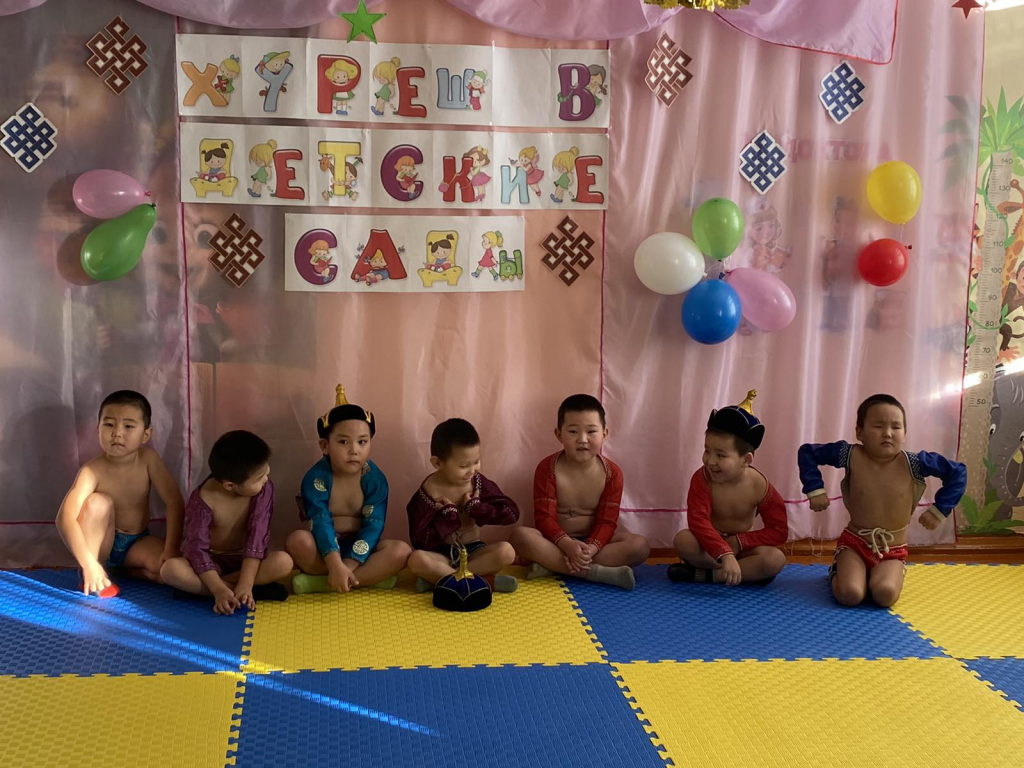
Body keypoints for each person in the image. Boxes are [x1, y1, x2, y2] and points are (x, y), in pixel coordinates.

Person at [797, 394, 967, 607]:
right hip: (855, 544)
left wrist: (940, 509)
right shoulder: (850, 455)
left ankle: (884, 574)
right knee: (850, 594)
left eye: (896, 427)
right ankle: (838, 569)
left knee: (885, 595)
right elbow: (808, 453)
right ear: (859, 432)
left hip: (892, 550)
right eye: (878, 426)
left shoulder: (915, 462)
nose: (888, 433)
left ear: (904, 434)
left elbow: (958, 472)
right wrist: (815, 489)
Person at [510, 395, 648, 590]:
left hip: (595, 546)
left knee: (639, 546)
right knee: (520, 536)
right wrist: (567, 544)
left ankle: (552, 567)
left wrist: (590, 548)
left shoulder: (612, 473)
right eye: (573, 431)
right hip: (556, 543)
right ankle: (597, 573)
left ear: (604, 434)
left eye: (591, 431)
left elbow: (607, 521)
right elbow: (544, 518)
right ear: (559, 434)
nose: (582, 439)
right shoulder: (548, 468)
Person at [56, 390, 184, 597]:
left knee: (172, 570)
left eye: (128, 426)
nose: (117, 433)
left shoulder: (149, 460)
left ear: (146, 434)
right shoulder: (92, 470)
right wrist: (88, 563)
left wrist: (171, 548)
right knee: (98, 502)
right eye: (109, 424)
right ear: (98, 429)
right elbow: (64, 518)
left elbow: (174, 502)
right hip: (101, 546)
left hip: (136, 542)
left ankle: (126, 571)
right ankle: (94, 572)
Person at [285, 385, 411, 594]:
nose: (354, 450)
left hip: (362, 551)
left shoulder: (375, 479)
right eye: (343, 442)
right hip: (324, 550)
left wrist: (348, 566)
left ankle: (323, 583)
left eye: (362, 442)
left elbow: (375, 523)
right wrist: (335, 563)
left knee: (401, 551)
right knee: (297, 541)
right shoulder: (316, 478)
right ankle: (366, 579)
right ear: (325, 446)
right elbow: (319, 519)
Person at [160, 431, 293, 615]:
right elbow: (196, 550)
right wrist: (218, 588)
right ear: (229, 485)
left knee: (284, 562)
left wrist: (246, 582)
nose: (266, 479)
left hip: (246, 562)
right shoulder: (203, 500)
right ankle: (234, 592)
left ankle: (220, 590)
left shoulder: (263, 489)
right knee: (170, 570)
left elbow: (257, 537)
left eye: (266, 472)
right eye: (259, 478)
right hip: (210, 562)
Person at [668, 390, 788, 586]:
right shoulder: (702, 479)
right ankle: (737, 573)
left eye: (721, 455)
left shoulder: (760, 486)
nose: (710, 461)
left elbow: (778, 531)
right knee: (683, 540)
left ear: (746, 460)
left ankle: (710, 575)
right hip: (708, 545)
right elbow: (698, 521)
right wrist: (724, 553)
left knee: (775, 559)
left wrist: (740, 541)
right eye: (707, 451)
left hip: (741, 548)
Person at [407, 418, 519, 593]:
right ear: (437, 463)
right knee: (416, 559)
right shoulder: (428, 492)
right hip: (441, 554)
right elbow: (419, 540)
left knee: (507, 552)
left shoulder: (477, 483)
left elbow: (511, 514)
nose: (472, 470)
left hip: (474, 552)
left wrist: (478, 509)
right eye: (463, 466)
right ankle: (484, 583)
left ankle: (442, 581)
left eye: (476, 461)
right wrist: (447, 519)